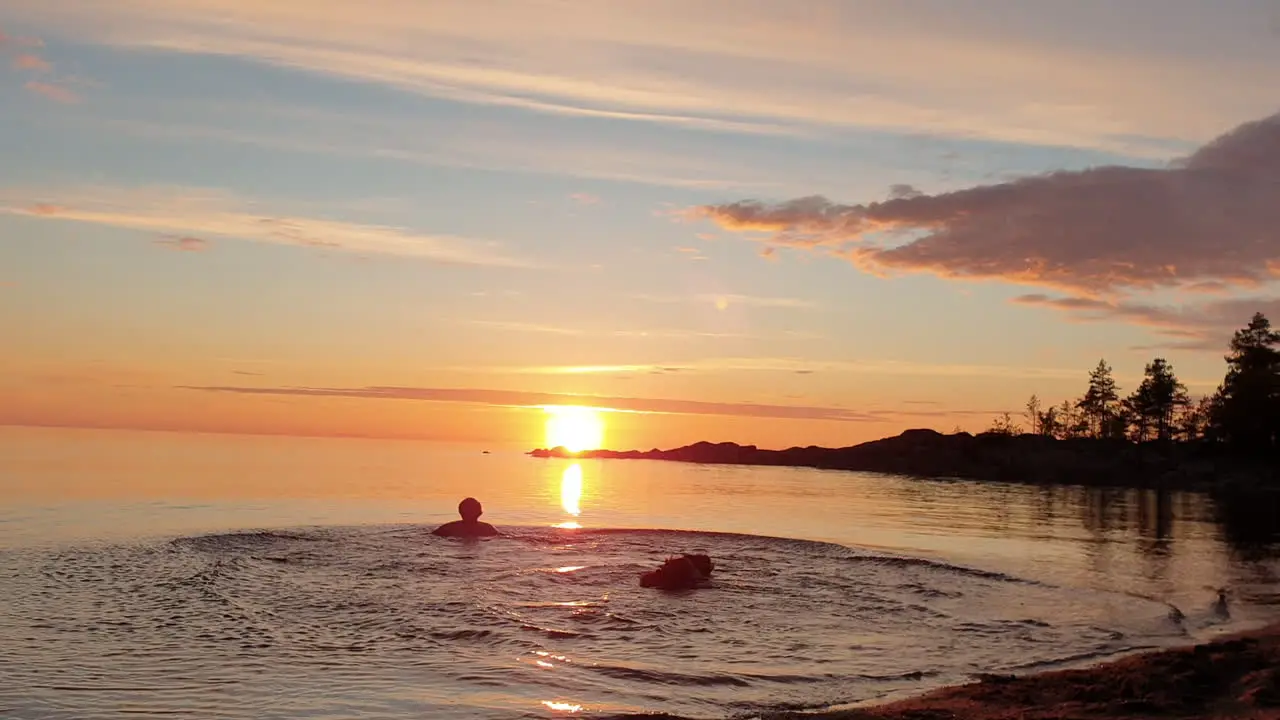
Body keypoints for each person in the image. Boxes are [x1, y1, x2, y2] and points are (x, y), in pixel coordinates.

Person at [432, 497, 500, 537]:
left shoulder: (447, 528)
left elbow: (432, 536)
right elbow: (501, 537)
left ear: (460, 511)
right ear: (479, 512)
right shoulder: (488, 529)